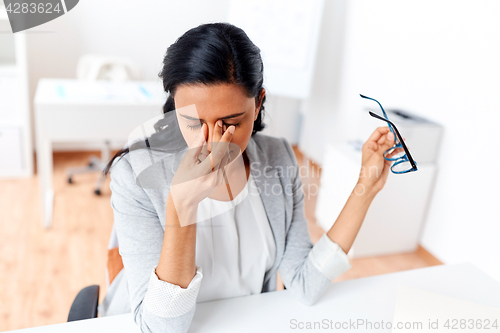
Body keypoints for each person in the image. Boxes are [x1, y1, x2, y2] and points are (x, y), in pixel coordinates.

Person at [98, 22, 399, 333]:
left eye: (230, 123)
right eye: (192, 122)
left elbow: (304, 285)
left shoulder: (278, 158)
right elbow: (160, 329)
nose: (214, 140)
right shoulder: (136, 175)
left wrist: (366, 186)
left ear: (257, 104)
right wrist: (181, 207)